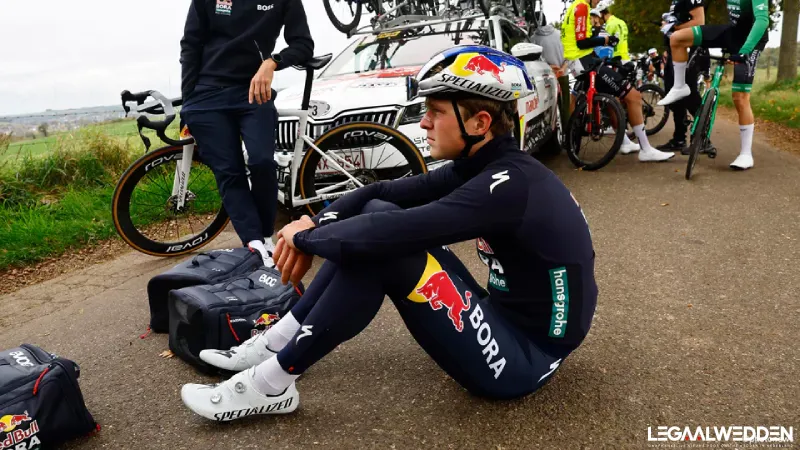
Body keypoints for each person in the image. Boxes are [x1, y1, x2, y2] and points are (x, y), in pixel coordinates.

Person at [179, 45, 599, 421]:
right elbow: (377, 193)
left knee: (386, 248)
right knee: (379, 216)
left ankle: (270, 383)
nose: (425, 122)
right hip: (503, 317)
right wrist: (310, 223)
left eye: (435, 111)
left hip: (526, 358)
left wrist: (301, 240)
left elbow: (392, 233)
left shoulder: (507, 187)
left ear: (480, 122)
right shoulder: (487, 168)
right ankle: (276, 342)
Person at [178, 0, 314, 265]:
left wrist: (272, 62)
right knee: (229, 171)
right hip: (207, 94)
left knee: (263, 161)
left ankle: (264, 234)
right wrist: (188, 101)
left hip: (254, 91)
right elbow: (190, 44)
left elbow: (303, 44)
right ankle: (253, 243)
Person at [658, 0, 769, 169]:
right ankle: (680, 86)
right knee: (677, 38)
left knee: (740, 97)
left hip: (752, 39)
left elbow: (762, 20)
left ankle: (746, 154)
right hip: (733, 32)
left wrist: (744, 51)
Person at [561, 0, 674, 161]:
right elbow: (581, 42)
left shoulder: (574, 7)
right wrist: (606, 40)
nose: (599, 1)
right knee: (634, 96)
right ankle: (646, 149)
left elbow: (580, 40)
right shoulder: (581, 7)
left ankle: (624, 142)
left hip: (581, 62)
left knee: (611, 99)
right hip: (584, 62)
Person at [656, 0, 706, 153]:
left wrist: (674, 27)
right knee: (673, 95)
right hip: (675, 50)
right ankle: (679, 138)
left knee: (690, 95)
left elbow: (699, 21)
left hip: (689, 48)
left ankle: (703, 139)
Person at [528, 12, 570, 135]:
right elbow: (570, 55)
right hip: (562, 75)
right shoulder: (560, 34)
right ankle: (567, 137)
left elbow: (533, 59)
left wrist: (550, 67)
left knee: (546, 109)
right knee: (564, 109)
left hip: (545, 78)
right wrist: (562, 68)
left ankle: (550, 135)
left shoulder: (533, 39)